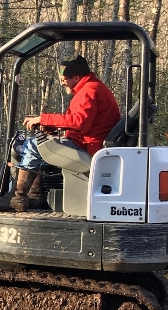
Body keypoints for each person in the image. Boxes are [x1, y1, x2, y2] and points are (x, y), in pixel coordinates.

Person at [11, 56, 121, 213]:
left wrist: (43, 118)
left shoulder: (89, 91)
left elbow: (79, 122)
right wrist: (53, 128)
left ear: (76, 77)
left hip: (89, 147)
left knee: (32, 145)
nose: (62, 82)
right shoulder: (92, 88)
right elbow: (84, 123)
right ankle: (36, 196)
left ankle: (18, 197)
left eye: (65, 79)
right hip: (89, 142)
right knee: (44, 144)